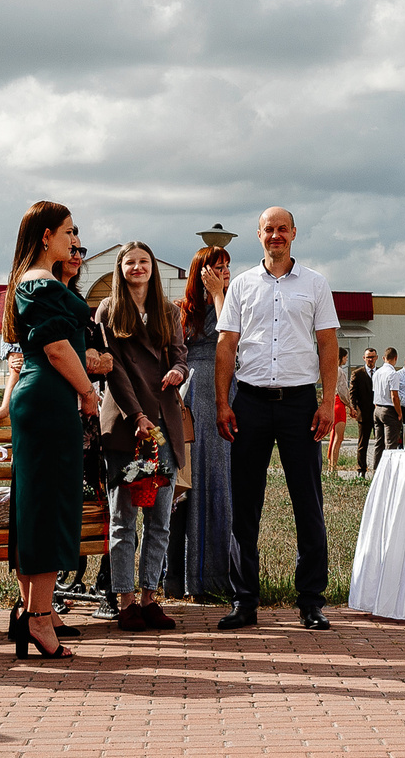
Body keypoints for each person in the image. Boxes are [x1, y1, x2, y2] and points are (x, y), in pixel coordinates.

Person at [213, 205, 342, 631]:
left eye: (282, 229)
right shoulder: (243, 285)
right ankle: (244, 600)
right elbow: (226, 346)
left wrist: (327, 403)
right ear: (258, 235)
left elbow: (327, 345)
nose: (275, 236)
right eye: (268, 229)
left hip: (300, 405)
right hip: (248, 401)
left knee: (308, 502)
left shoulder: (315, 284)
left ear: (294, 233)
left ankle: (310, 601)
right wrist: (222, 402)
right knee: (244, 503)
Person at [0, 203, 105, 659]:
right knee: (48, 505)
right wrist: (87, 392)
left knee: (36, 502)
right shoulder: (39, 282)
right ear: (46, 236)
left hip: (40, 397)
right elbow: (57, 347)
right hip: (49, 395)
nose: (74, 240)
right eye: (68, 232)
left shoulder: (32, 281)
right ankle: (40, 619)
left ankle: (31, 614)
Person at [98, 240, 186, 632]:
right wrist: (136, 414)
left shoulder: (169, 310)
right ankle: (125, 600)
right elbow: (115, 370)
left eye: (144, 261)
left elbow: (180, 352)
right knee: (123, 519)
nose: (138, 267)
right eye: (130, 262)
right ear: (120, 268)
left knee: (160, 518)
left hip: (164, 425)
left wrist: (179, 371)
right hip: (127, 427)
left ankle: (150, 596)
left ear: (153, 268)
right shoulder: (109, 310)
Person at [169, 245, 235, 600]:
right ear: (200, 272)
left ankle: (215, 577)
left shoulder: (231, 302)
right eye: (216, 267)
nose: (223, 272)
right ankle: (178, 577)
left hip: (224, 391)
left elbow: (229, 335)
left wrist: (220, 294)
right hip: (192, 395)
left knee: (219, 477)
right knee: (187, 481)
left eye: (227, 266)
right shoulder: (182, 310)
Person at [349, 348, 378, 474]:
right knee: (362, 444)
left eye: (372, 357)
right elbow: (352, 393)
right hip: (364, 414)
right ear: (364, 358)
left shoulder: (380, 372)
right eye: (368, 357)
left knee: (379, 442)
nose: (370, 359)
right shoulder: (358, 373)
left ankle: (378, 469)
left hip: (378, 414)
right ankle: (361, 469)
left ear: (376, 358)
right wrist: (353, 407)